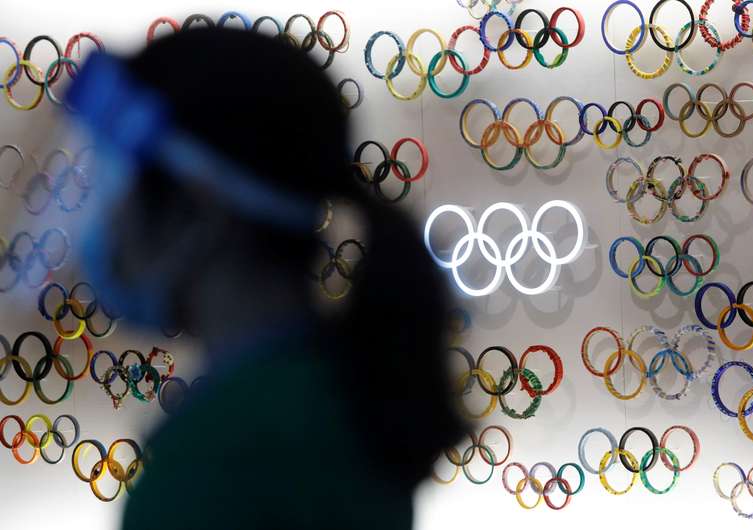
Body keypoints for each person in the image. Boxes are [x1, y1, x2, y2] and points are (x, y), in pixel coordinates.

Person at [64, 27, 466, 528]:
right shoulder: (349, 401)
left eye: (111, 184)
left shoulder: (214, 462)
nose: (99, 221)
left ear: (199, 210)